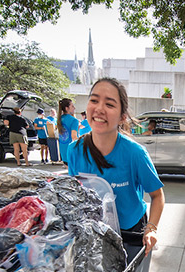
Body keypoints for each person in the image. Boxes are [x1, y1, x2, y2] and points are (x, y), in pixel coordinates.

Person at [66, 77, 165, 256]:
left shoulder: (135, 154)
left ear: (122, 117)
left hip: (131, 231)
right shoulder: (74, 150)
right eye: (94, 100)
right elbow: (75, 195)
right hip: (94, 230)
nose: (99, 109)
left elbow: (157, 196)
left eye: (110, 104)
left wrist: (151, 229)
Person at [57, 98, 80, 166]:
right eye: (72, 106)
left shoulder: (59, 119)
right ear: (67, 108)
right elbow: (74, 137)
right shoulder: (74, 120)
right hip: (72, 152)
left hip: (63, 152)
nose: (74, 108)